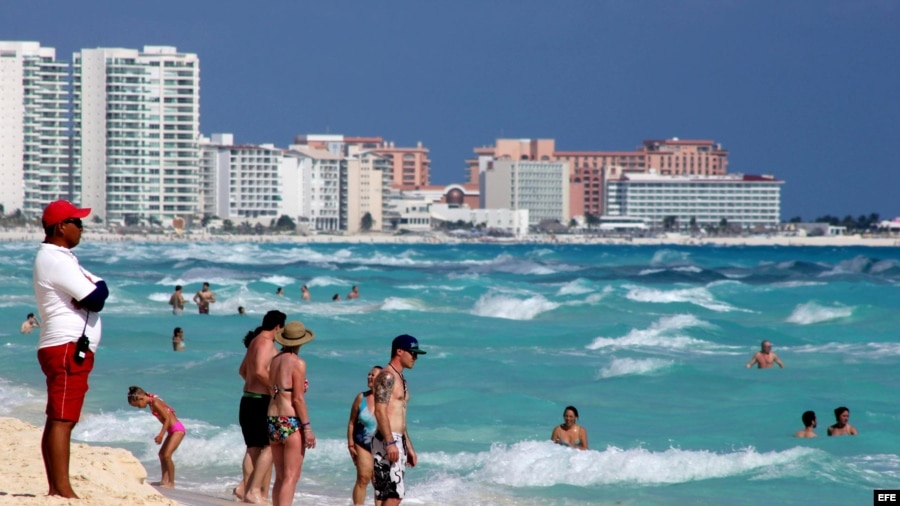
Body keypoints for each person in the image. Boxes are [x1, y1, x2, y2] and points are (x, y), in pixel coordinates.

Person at [33, 200, 109, 498]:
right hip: (67, 346)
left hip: (64, 345)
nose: (82, 228)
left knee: (59, 417)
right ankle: (62, 490)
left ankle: (57, 487)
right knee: (63, 419)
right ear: (61, 227)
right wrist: (93, 291)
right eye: (77, 222)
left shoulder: (61, 257)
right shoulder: (56, 259)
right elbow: (96, 298)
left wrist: (95, 289)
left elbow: (99, 286)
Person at [235, 310, 285, 503]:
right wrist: (275, 390)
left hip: (248, 398)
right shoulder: (265, 343)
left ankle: (248, 491)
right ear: (278, 327)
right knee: (268, 446)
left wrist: (254, 385)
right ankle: (253, 491)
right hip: (260, 401)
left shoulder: (255, 342)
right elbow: (258, 371)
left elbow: (243, 371)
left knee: (253, 448)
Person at [267, 320, 317, 506]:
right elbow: (297, 399)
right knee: (291, 477)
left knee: (280, 477)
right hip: (290, 420)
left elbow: (275, 390)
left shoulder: (274, 360)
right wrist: (308, 428)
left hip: (272, 419)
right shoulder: (298, 363)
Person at [372, 334, 426, 505]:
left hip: (397, 438)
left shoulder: (401, 378)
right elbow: (380, 411)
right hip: (387, 438)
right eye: (413, 353)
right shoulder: (387, 376)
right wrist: (389, 442)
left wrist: (408, 446)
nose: (415, 358)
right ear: (399, 351)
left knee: (390, 494)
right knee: (394, 494)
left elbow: (400, 416)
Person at [127, 386, 186, 488]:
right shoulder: (152, 402)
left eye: (138, 405)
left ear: (141, 398)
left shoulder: (154, 402)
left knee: (167, 455)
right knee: (161, 454)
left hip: (177, 430)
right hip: (171, 430)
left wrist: (161, 435)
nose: (139, 407)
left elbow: (167, 419)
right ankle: (163, 481)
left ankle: (171, 483)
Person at [347, 366, 383, 506]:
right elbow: (351, 422)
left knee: (378, 482)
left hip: (381, 445)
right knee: (363, 477)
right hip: (362, 443)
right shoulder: (361, 398)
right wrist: (350, 444)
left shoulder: (387, 401)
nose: (369, 377)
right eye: (369, 374)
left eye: (373, 375)